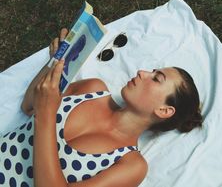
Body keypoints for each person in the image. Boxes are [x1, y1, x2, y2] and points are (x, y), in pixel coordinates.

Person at [0, 28, 203, 187]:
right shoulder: (92, 89)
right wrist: (56, 63)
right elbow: (28, 105)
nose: (142, 72)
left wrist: (45, 115)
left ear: (164, 110)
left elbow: (40, 110)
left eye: (156, 78)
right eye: (151, 71)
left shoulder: (131, 165)